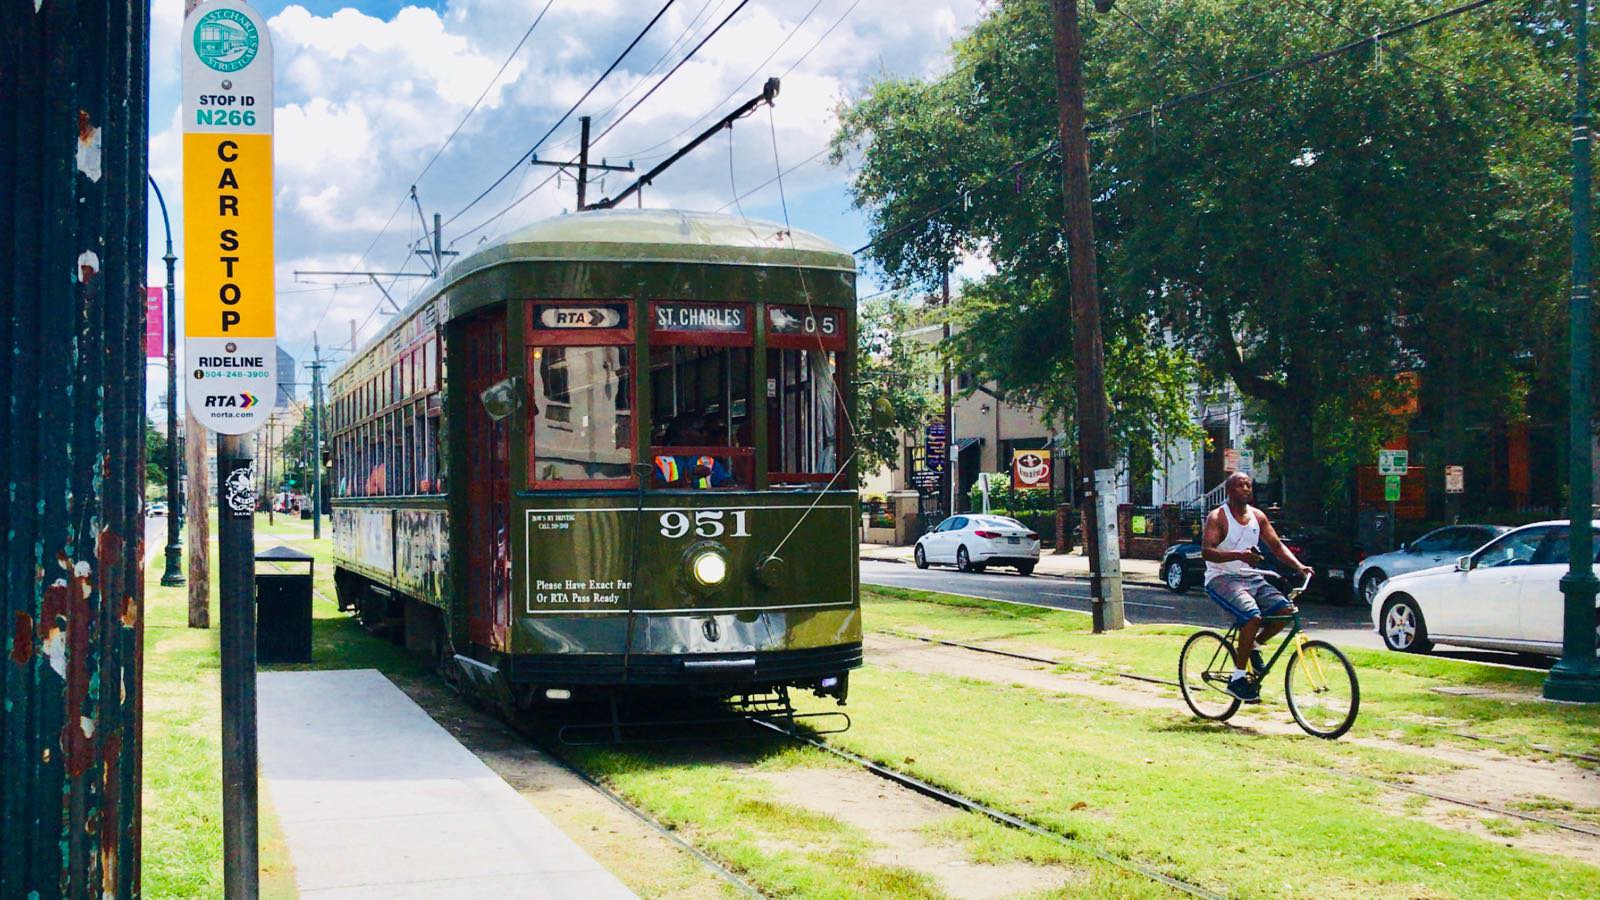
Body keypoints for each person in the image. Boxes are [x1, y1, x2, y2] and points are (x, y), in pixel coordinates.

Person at [1201, 471, 1313, 703]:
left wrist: (1300, 566)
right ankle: (1238, 679)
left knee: (1286, 611)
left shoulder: (1258, 516)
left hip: (1251, 577)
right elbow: (1207, 552)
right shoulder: (1218, 517)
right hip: (1222, 578)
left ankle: (1253, 645)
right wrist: (1239, 555)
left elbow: (1277, 546)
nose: (1246, 489)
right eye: (1240, 485)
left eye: (1248, 485)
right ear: (1230, 491)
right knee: (1252, 617)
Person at [653, 414, 733, 488]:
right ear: (683, 432)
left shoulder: (707, 462)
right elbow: (654, 489)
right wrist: (687, 478)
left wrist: (726, 483)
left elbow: (728, 483)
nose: (705, 434)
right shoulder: (658, 460)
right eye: (700, 430)